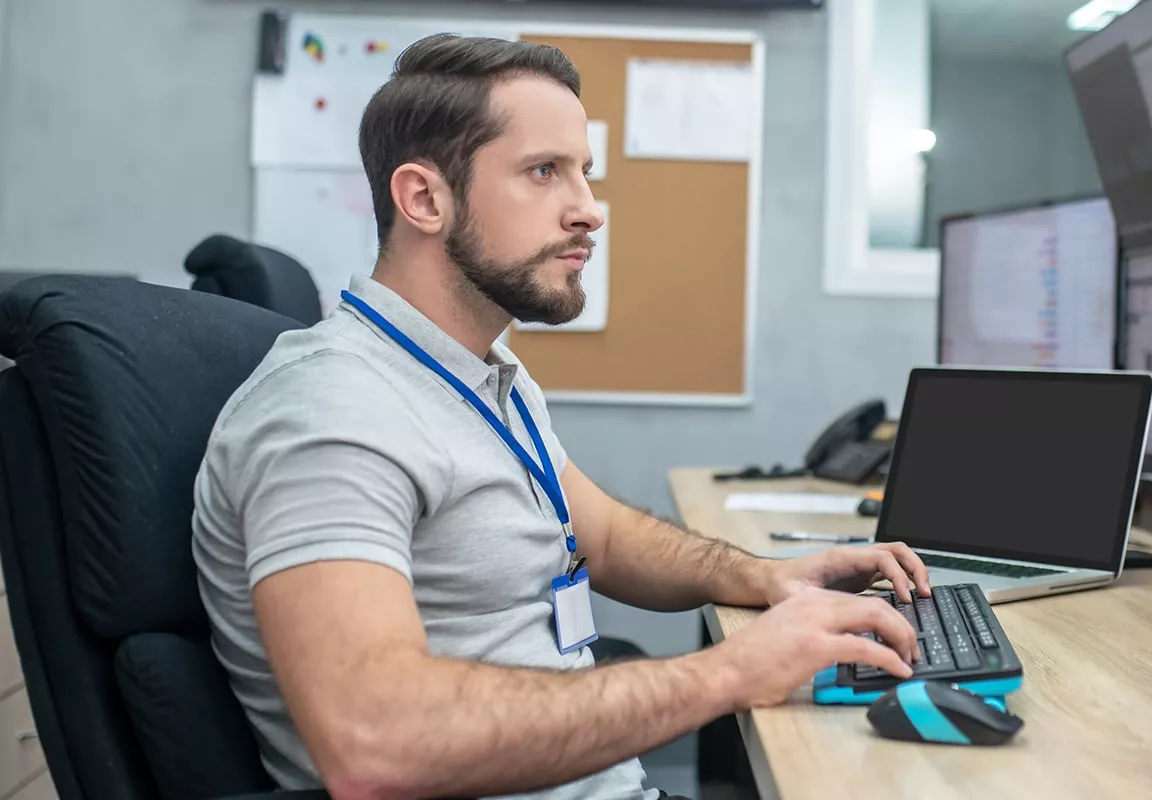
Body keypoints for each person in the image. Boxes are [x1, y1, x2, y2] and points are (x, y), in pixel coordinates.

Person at [192, 33, 927, 800]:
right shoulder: (332, 412)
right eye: (545, 172)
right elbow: (373, 742)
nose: (591, 211)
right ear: (424, 199)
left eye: (585, 173)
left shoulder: (478, 372)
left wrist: (764, 577)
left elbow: (600, 533)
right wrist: (733, 671)